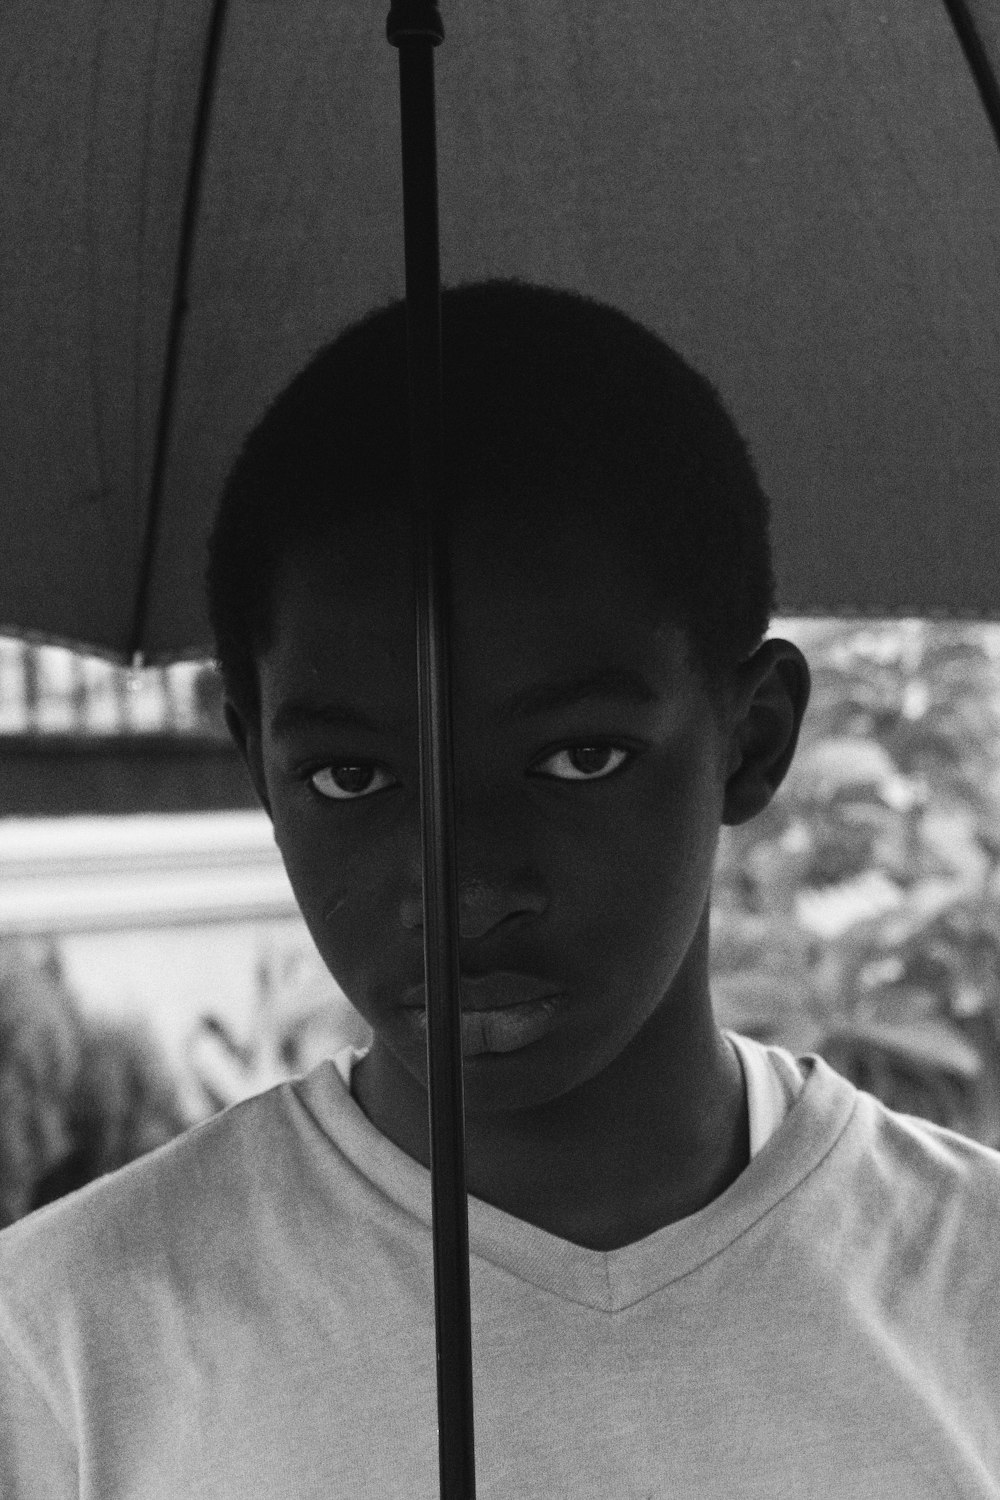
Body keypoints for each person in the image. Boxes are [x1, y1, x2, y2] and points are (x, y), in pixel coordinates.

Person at [1, 280, 998, 1497]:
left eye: (579, 757)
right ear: (256, 763)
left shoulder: (969, 1293)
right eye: (352, 773)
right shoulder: (60, 1352)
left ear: (753, 738)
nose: (463, 890)